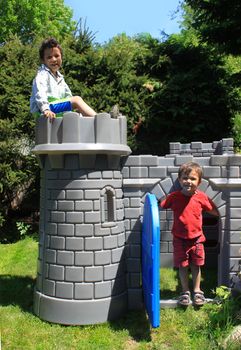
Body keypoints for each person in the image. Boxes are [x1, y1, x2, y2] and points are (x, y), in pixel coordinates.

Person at [158, 161, 218, 306]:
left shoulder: (201, 197)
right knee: (183, 266)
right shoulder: (175, 196)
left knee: (196, 265)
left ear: (199, 181)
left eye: (192, 178)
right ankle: (185, 292)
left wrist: (221, 214)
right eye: (185, 178)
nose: (188, 181)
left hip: (197, 238)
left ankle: (197, 291)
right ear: (179, 180)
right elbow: (161, 204)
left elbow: (213, 210)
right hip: (179, 239)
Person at [30, 38, 96, 120]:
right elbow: (39, 92)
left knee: (78, 115)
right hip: (44, 108)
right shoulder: (42, 74)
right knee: (77, 100)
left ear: (61, 57)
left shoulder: (60, 78)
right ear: (43, 60)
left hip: (57, 108)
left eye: (56, 56)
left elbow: (68, 96)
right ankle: (99, 120)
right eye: (49, 57)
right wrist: (45, 109)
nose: (54, 59)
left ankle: (104, 119)